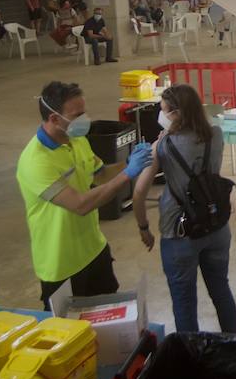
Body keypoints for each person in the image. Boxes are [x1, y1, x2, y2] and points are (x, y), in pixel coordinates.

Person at [16, 81, 152, 309]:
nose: (84, 120)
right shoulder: (36, 162)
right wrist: (128, 174)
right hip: (62, 263)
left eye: (84, 112)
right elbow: (80, 205)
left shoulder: (77, 140)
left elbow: (100, 175)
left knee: (109, 315)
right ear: (54, 119)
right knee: (73, 332)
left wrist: (127, 163)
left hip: (94, 248)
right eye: (77, 115)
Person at [132, 84, 236, 333]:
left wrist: (144, 227)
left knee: (184, 301)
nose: (161, 115)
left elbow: (139, 192)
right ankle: (233, 345)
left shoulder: (164, 146)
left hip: (179, 231)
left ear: (176, 114)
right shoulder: (216, 134)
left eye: (164, 111)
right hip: (216, 224)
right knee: (221, 290)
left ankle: (191, 359)